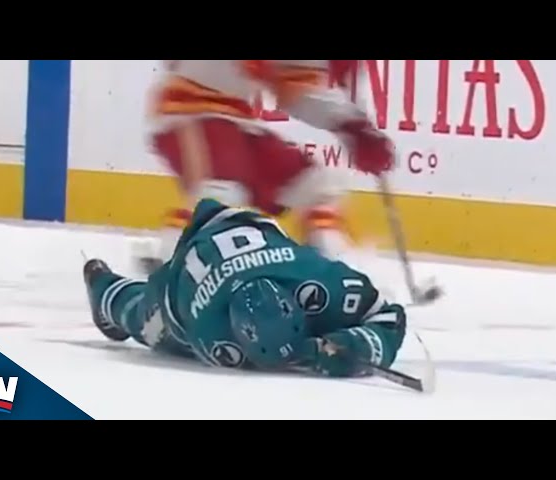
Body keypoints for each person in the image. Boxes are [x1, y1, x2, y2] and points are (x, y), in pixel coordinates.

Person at [85, 198, 407, 378]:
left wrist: (352, 343)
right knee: (146, 319)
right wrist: (334, 353)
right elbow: (170, 315)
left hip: (249, 228)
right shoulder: (207, 330)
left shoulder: (319, 279)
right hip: (187, 275)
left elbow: (389, 316)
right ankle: (103, 287)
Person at [133, 60, 395, 272]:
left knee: (315, 187)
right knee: (220, 194)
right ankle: (169, 267)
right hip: (187, 110)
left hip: (237, 120)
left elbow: (296, 90)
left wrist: (352, 126)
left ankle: (330, 269)